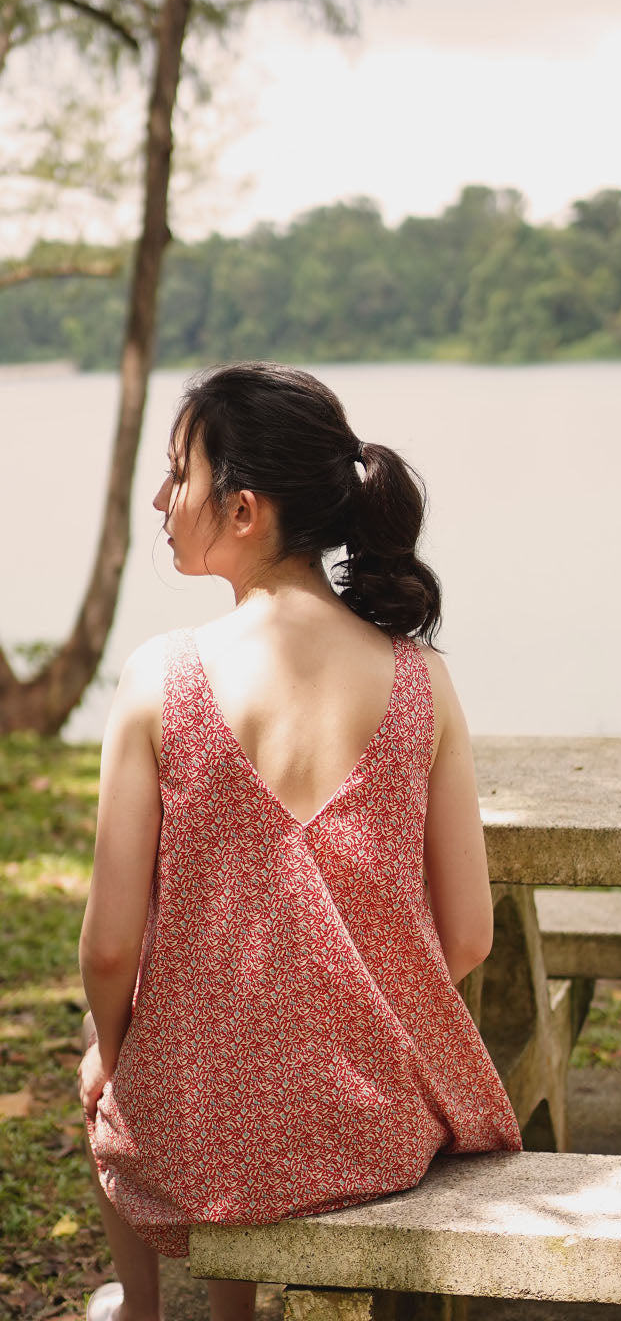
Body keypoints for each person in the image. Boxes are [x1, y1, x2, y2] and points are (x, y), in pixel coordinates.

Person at [76, 362, 522, 1321]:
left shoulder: (161, 678)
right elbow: (472, 936)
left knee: (115, 1053)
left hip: (212, 1134)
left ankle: (144, 1311)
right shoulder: (420, 678)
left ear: (242, 510)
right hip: (382, 1130)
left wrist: (120, 1057)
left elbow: (110, 948)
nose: (162, 500)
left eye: (177, 475)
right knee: (221, 1053)